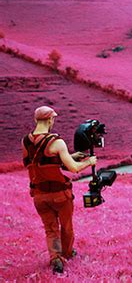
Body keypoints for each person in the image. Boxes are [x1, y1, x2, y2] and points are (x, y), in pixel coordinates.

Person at [21, 106, 97, 274]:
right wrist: (89, 162)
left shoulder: (25, 141)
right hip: (60, 195)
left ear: (35, 120)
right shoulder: (57, 142)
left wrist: (69, 156)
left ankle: (55, 258)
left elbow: (40, 162)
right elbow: (75, 168)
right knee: (66, 227)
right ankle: (68, 253)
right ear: (50, 120)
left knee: (50, 228)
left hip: (39, 196)